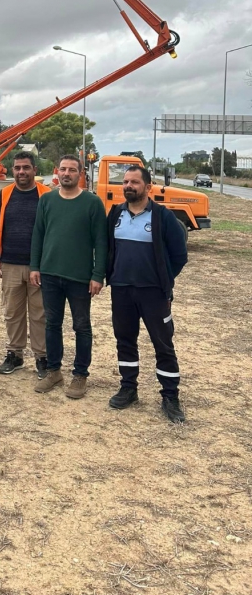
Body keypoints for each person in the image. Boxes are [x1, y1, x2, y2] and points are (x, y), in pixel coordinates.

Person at [106, 165, 188, 423]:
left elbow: (179, 256)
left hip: (154, 293)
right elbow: (109, 247)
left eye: (134, 182)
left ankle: (170, 396)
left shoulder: (163, 217)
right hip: (121, 290)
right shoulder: (116, 214)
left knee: (163, 344)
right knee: (125, 340)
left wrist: (163, 280)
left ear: (148, 187)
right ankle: (129, 388)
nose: (128, 186)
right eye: (126, 182)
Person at [30, 155, 107, 399]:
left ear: (80, 173)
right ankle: (54, 371)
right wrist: (35, 266)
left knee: (81, 326)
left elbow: (101, 242)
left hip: (80, 277)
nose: (67, 174)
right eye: (63, 169)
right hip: (50, 274)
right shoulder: (47, 199)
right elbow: (38, 235)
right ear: (57, 172)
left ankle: (80, 374)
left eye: (72, 170)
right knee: (52, 324)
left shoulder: (92, 203)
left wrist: (98, 275)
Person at [0, 151, 50, 377]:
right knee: (12, 312)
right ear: (12, 170)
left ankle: (42, 357)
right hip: (10, 264)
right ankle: (15, 354)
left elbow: (52, 231)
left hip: (39, 266)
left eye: (26, 167)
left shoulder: (46, 195)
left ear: (35, 170)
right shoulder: (5, 194)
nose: (21, 172)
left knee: (40, 313)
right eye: (17, 168)